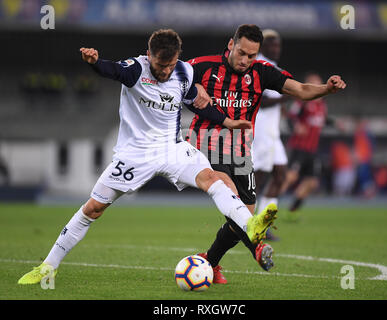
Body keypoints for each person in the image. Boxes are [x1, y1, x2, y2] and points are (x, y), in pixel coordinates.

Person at [17, 29, 277, 285]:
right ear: (149, 55)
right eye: (160, 64)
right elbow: (113, 70)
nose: (165, 71)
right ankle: (48, 267)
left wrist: (228, 121)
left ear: (178, 58)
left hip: (172, 148)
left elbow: (197, 103)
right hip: (135, 155)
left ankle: (250, 226)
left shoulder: (184, 72)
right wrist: (95, 63)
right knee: (92, 209)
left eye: (170, 64)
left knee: (213, 179)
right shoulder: (135, 69)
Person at [185, 25, 346, 284]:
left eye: (252, 55)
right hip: (207, 147)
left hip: (241, 154)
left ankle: (209, 262)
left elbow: (302, 90)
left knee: (243, 219)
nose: (246, 60)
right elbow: (169, 76)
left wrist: (326, 89)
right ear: (230, 45)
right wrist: (193, 88)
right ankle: (257, 249)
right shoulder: (202, 66)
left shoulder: (262, 72)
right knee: (238, 209)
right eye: (242, 53)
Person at [280, 72, 341, 212]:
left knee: (312, 182)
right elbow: (291, 116)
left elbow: (322, 119)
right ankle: (270, 203)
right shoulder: (301, 101)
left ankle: (292, 211)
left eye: (319, 82)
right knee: (290, 178)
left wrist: (335, 123)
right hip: (299, 147)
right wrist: (296, 126)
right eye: (313, 82)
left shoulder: (322, 105)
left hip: (313, 149)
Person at [252, 29, 291, 241]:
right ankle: (245, 223)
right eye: (271, 45)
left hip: (272, 133)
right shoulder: (258, 67)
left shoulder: (275, 69)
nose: (276, 49)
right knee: (257, 178)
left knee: (280, 176)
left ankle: (262, 224)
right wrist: (285, 98)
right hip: (260, 133)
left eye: (278, 46)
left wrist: (282, 106)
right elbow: (258, 102)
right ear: (262, 46)